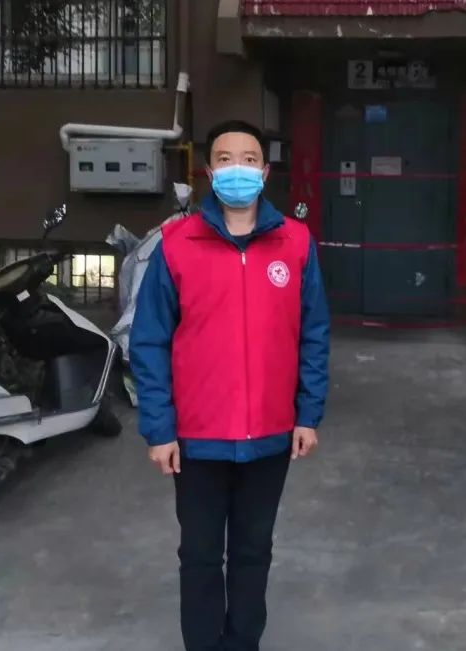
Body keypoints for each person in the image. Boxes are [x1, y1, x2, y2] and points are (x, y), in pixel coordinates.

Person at [129, 119, 330, 651]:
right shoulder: (177, 245)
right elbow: (149, 341)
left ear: (264, 172)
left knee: (253, 551)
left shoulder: (296, 243)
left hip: (270, 433)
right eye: (224, 159)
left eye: (248, 159)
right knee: (199, 556)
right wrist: (159, 429)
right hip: (197, 439)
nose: (236, 168)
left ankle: (242, 643)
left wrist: (308, 414)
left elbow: (314, 334)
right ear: (209, 171)